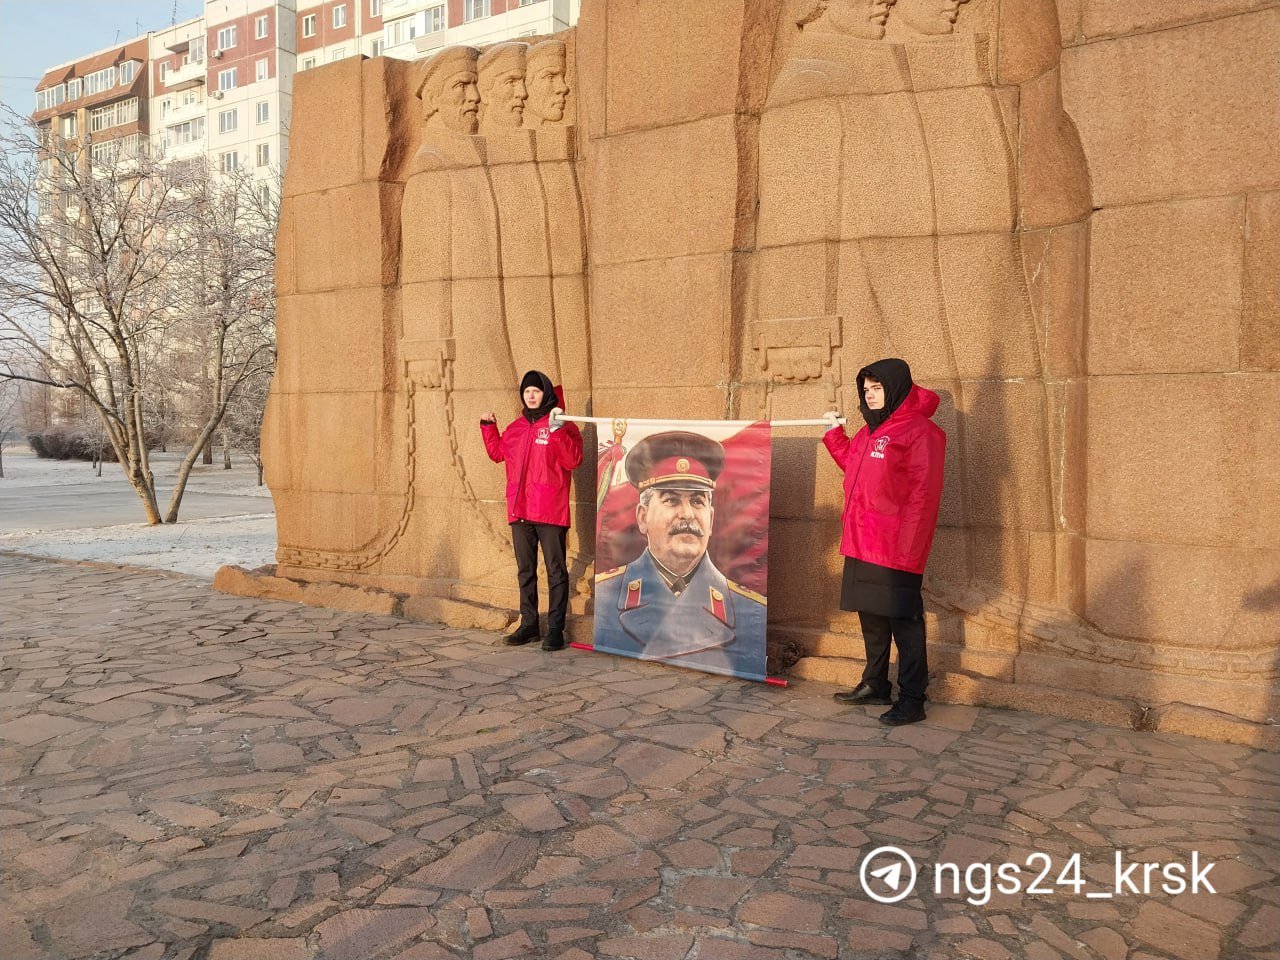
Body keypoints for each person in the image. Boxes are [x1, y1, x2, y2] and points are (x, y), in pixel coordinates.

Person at [823, 358, 945, 725]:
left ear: (894, 389)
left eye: (876, 389)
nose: (870, 396)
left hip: (895, 546)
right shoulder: (869, 432)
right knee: (872, 617)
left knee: (904, 622)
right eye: (865, 391)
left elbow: (924, 496)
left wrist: (909, 550)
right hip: (861, 540)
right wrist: (835, 435)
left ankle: (912, 698)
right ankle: (875, 683)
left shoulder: (921, 432)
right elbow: (856, 465)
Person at [593, 431, 768, 681]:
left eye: (697, 502)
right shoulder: (608, 595)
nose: (687, 514)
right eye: (672, 500)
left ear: (711, 519)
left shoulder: (748, 609)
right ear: (643, 517)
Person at [481, 370, 583, 651]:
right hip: (520, 509)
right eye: (527, 391)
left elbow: (573, 460)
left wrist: (557, 430)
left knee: (556, 571)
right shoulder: (515, 428)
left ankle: (555, 629)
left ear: (546, 393)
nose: (531, 395)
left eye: (536, 391)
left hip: (550, 510)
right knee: (525, 570)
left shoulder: (562, 425)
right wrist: (489, 428)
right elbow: (498, 454)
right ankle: (528, 625)